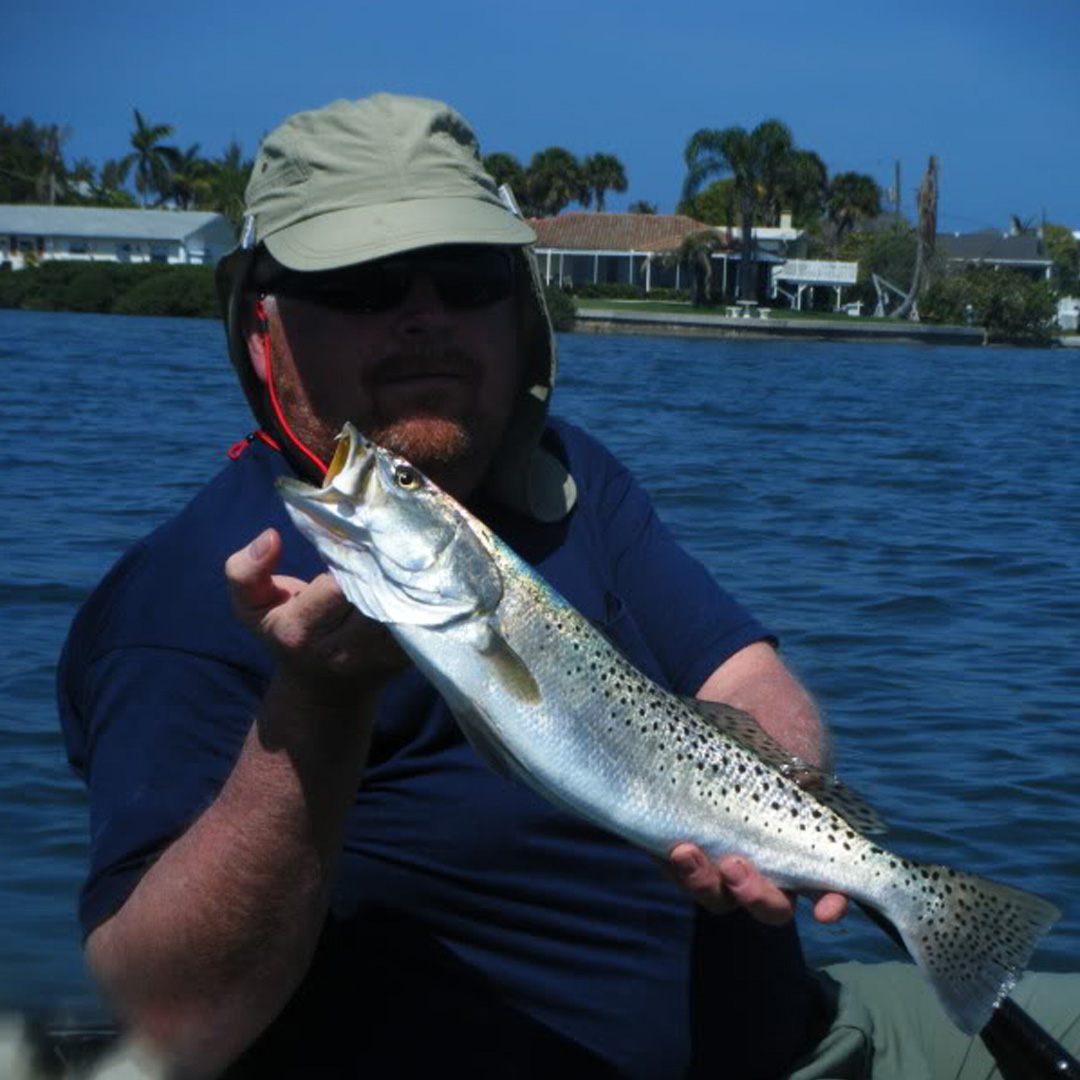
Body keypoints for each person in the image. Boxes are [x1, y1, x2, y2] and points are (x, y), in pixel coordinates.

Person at [58, 94, 1077, 1080]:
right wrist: (319, 700)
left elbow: (750, 681)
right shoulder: (182, 601)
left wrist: (780, 824)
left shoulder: (569, 478)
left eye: (463, 278)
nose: (423, 318)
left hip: (825, 1029)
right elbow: (172, 1025)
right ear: (263, 331)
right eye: (365, 288)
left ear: (518, 312)